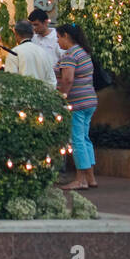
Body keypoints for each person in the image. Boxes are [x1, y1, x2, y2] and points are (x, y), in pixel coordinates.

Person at [54, 23, 98, 191]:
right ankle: (90, 177)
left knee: (77, 140)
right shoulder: (83, 52)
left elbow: (68, 79)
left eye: (58, 37)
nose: (57, 41)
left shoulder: (70, 55)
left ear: (66, 36)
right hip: (90, 100)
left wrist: (62, 97)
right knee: (85, 138)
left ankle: (80, 180)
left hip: (77, 103)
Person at [3, 20, 56, 87]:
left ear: (16, 34)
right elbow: (52, 81)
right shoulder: (43, 52)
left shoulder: (14, 53)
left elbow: (10, 80)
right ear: (33, 34)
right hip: (42, 92)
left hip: (22, 92)